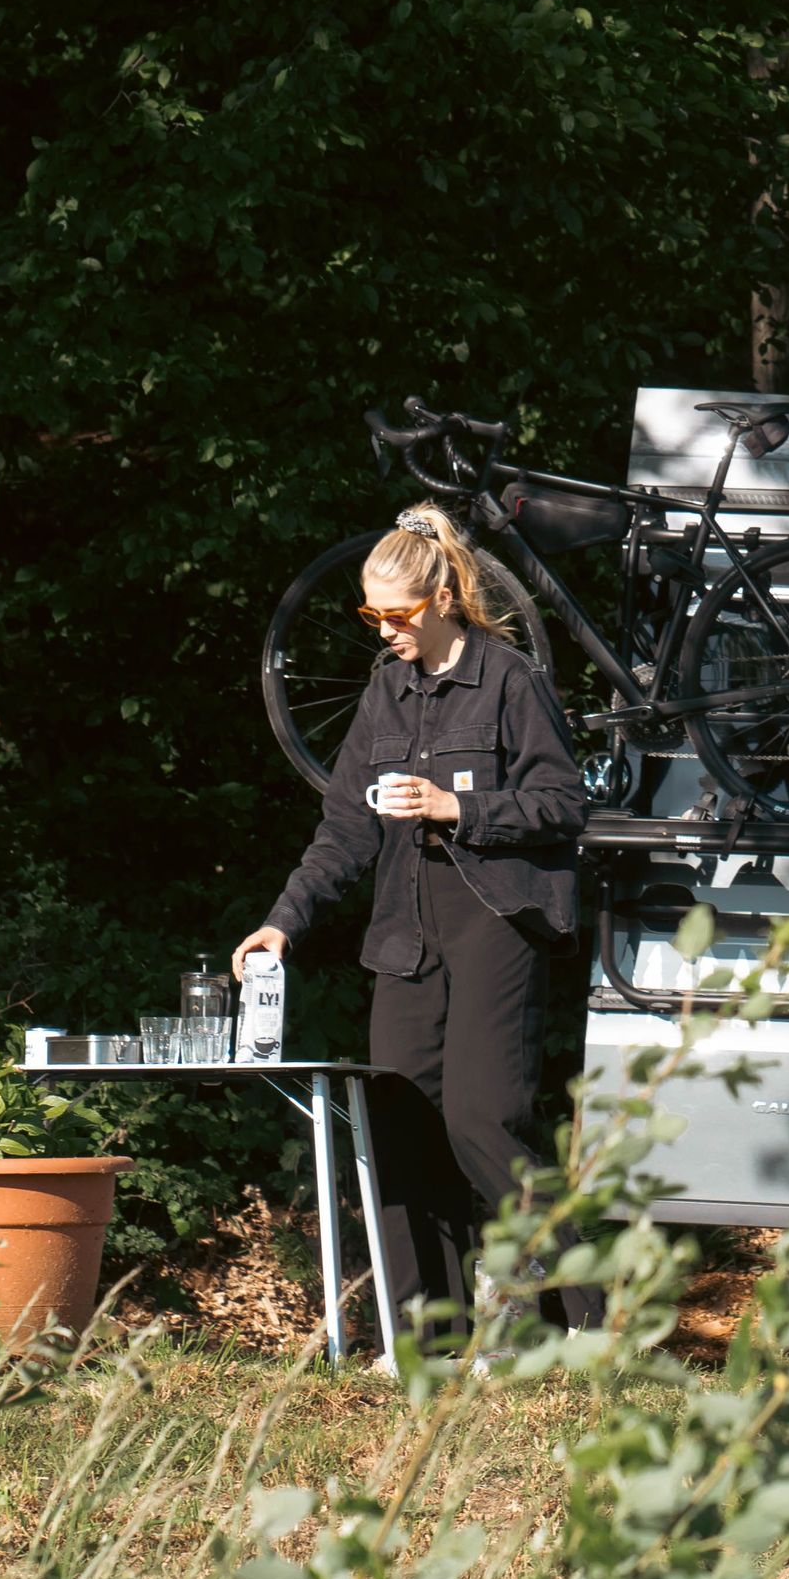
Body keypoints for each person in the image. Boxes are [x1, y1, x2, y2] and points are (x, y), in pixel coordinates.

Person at [237, 503, 598, 1338]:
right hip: (406, 932)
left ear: (440, 598)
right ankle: (428, 1342)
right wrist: (282, 923)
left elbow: (563, 803)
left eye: (394, 615)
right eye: (371, 615)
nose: (383, 631)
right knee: (396, 1124)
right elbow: (345, 828)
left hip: (497, 924)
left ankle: (584, 1315)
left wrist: (454, 804)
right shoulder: (384, 691)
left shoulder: (508, 678)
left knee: (482, 1116)